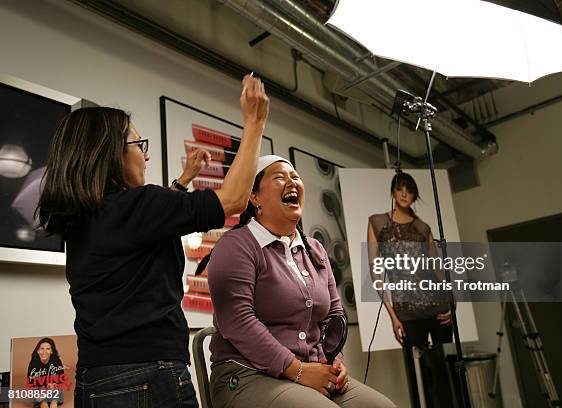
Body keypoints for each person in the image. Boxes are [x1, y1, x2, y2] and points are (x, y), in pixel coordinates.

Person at [36, 74, 269, 408]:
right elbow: (232, 200)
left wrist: (182, 181)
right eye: (138, 145)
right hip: (148, 376)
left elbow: (145, 230)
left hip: (95, 381)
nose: (145, 156)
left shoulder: (85, 218)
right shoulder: (139, 206)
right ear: (109, 155)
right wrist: (255, 122)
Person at [203, 155, 397, 408]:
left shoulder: (314, 248)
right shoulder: (236, 246)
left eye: (295, 176)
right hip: (247, 375)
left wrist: (335, 360)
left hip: (312, 371)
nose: (291, 182)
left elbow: (334, 314)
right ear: (255, 197)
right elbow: (238, 322)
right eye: (280, 177)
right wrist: (297, 370)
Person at [367, 171, 452, 408]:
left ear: (415, 196)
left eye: (410, 190)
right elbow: (376, 273)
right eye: (400, 188)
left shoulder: (423, 227)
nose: (404, 193)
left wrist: (453, 304)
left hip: (438, 308)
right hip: (406, 312)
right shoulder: (377, 222)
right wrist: (393, 316)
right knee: (419, 378)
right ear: (393, 192)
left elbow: (438, 269)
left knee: (445, 374)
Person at [27, 337, 65, 408]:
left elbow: (61, 381)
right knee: (43, 404)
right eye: (42, 349)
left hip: (54, 390)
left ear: (51, 351)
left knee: (54, 403)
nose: (44, 351)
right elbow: (31, 383)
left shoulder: (57, 362)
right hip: (40, 391)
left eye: (48, 349)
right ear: (38, 351)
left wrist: (53, 386)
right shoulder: (33, 364)